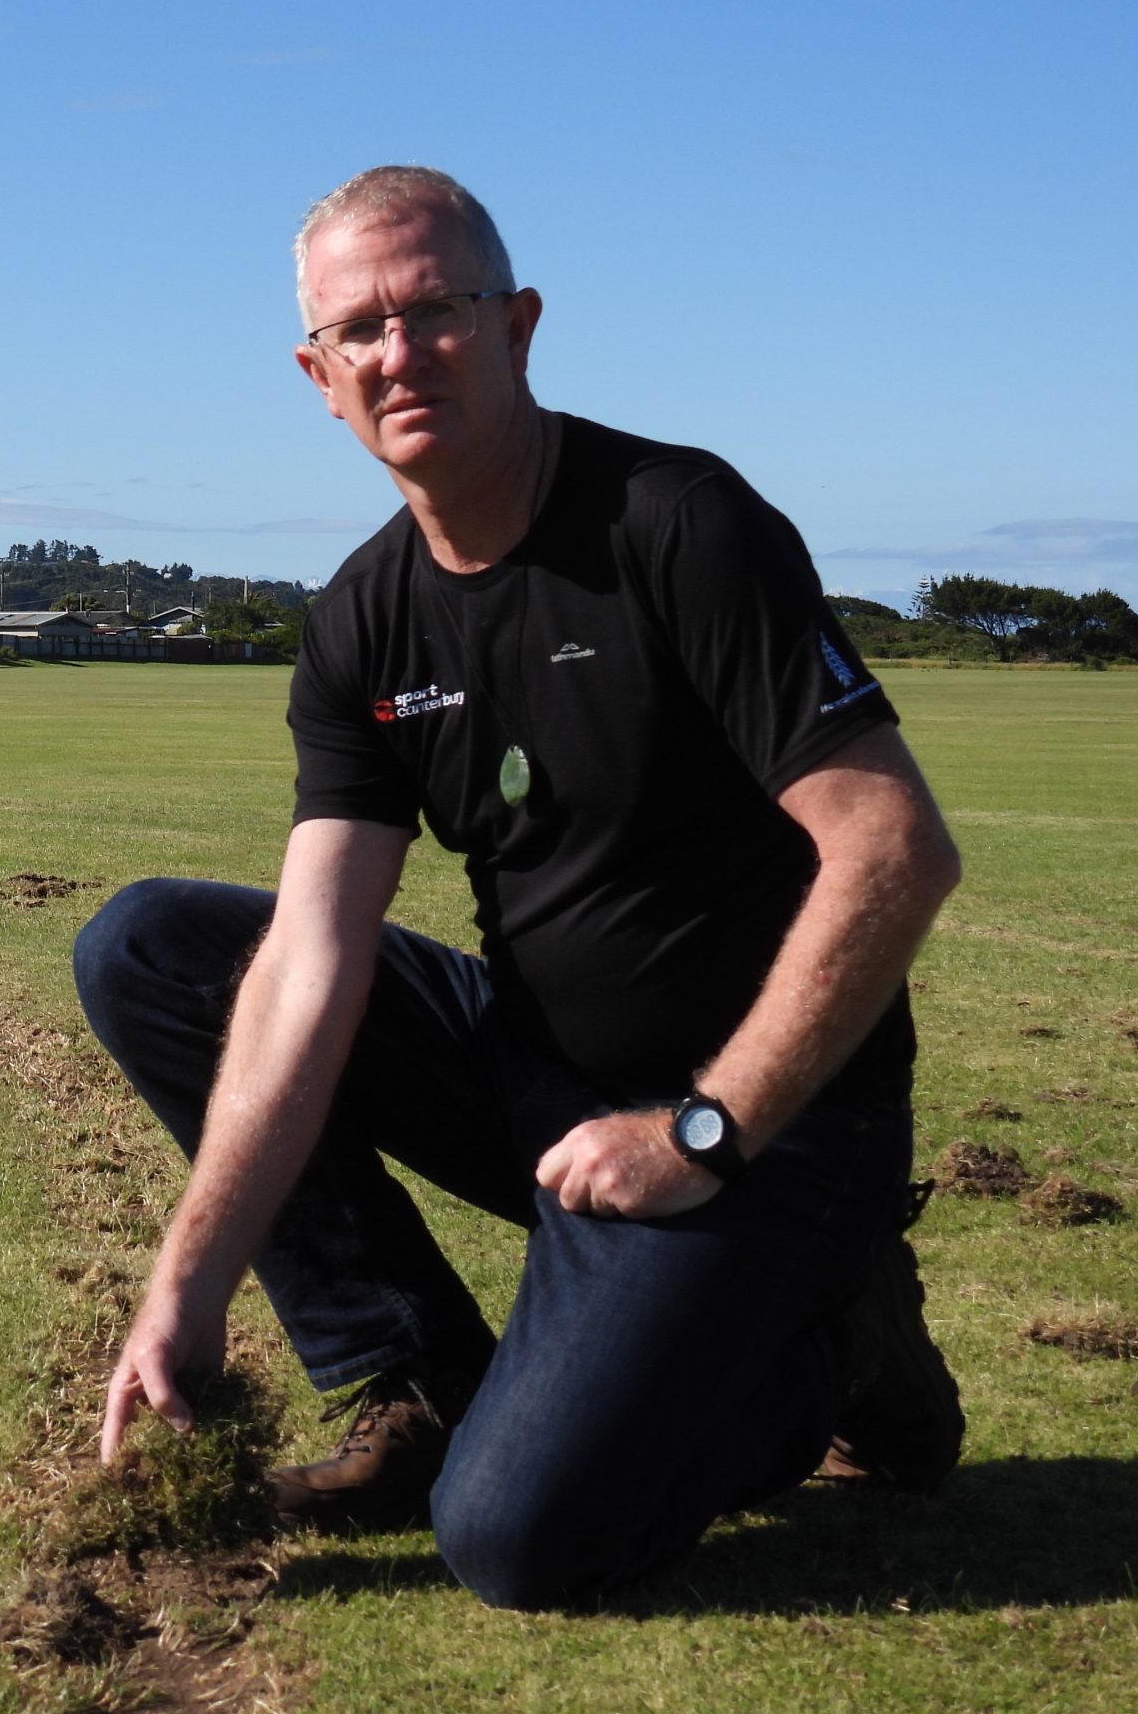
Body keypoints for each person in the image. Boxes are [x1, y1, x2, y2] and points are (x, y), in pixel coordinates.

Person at [72, 165, 965, 1609]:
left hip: (772, 1123)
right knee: (155, 947)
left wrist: (703, 1133)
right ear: (317, 375)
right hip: (536, 1080)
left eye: (435, 309)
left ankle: (838, 1346)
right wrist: (190, 1282)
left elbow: (894, 847)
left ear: (517, 326)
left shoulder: (677, 524)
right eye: (358, 329)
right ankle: (412, 1381)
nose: (399, 353)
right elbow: (311, 961)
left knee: (521, 1539)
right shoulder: (363, 619)